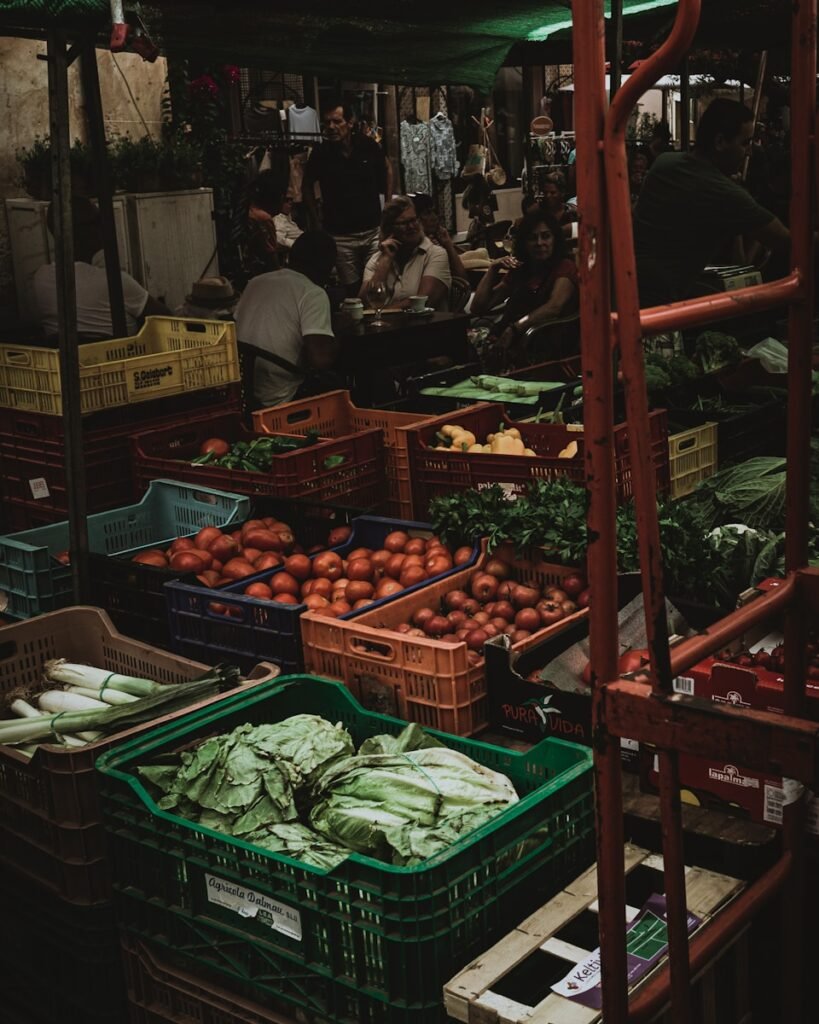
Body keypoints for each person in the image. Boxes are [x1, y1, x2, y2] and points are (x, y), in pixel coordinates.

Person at [633, 99, 790, 307]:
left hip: (627, 284)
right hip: (660, 300)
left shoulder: (665, 163)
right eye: (745, 143)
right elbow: (788, 241)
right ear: (720, 142)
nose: (749, 152)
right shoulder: (725, 193)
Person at [34, 197, 170, 339]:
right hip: (124, 356)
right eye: (97, 222)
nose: (103, 228)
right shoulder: (114, 281)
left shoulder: (40, 278)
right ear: (83, 231)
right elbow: (167, 319)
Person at [235, 231, 338, 408]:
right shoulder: (313, 293)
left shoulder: (255, 282)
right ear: (326, 266)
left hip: (244, 388)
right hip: (281, 393)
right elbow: (320, 360)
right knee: (339, 385)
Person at [303, 99, 393, 295]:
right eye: (327, 123)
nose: (331, 127)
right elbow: (306, 185)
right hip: (340, 234)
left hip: (371, 229)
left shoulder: (367, 145)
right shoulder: (321, 153)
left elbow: (387, 168)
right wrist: (315, 219)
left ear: (350, 123)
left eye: (336, 122)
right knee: (352, 289)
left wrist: (388, 205)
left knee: (377, 283)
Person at [470, 209, 578, 362]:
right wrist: (493, 269)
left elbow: (554, 306)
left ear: (555, 239)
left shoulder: (564, 266)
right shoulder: (521, 269)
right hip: (514, 338)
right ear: (524, 243)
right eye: (533, 238)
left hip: (544, 340)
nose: (540, 243)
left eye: (546, 236)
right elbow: (479, 307)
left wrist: (515, 328)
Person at [360, 196, 451, 311]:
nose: (412, 226)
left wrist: (380, 313)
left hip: (428, 326)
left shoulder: (436, 254)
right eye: (404, 223)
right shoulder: (376, 260)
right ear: (390, 229)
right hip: (387, 327)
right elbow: (364, 302)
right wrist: (385, 262)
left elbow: (424, 302)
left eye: (413, 220)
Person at [412, 194, 467, 279]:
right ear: (416, 219)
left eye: (435, 212)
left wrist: (448, 245)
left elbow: (462, 277)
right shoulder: (416, 248)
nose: (434, 217)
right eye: (427, 213)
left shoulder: (439, 244)